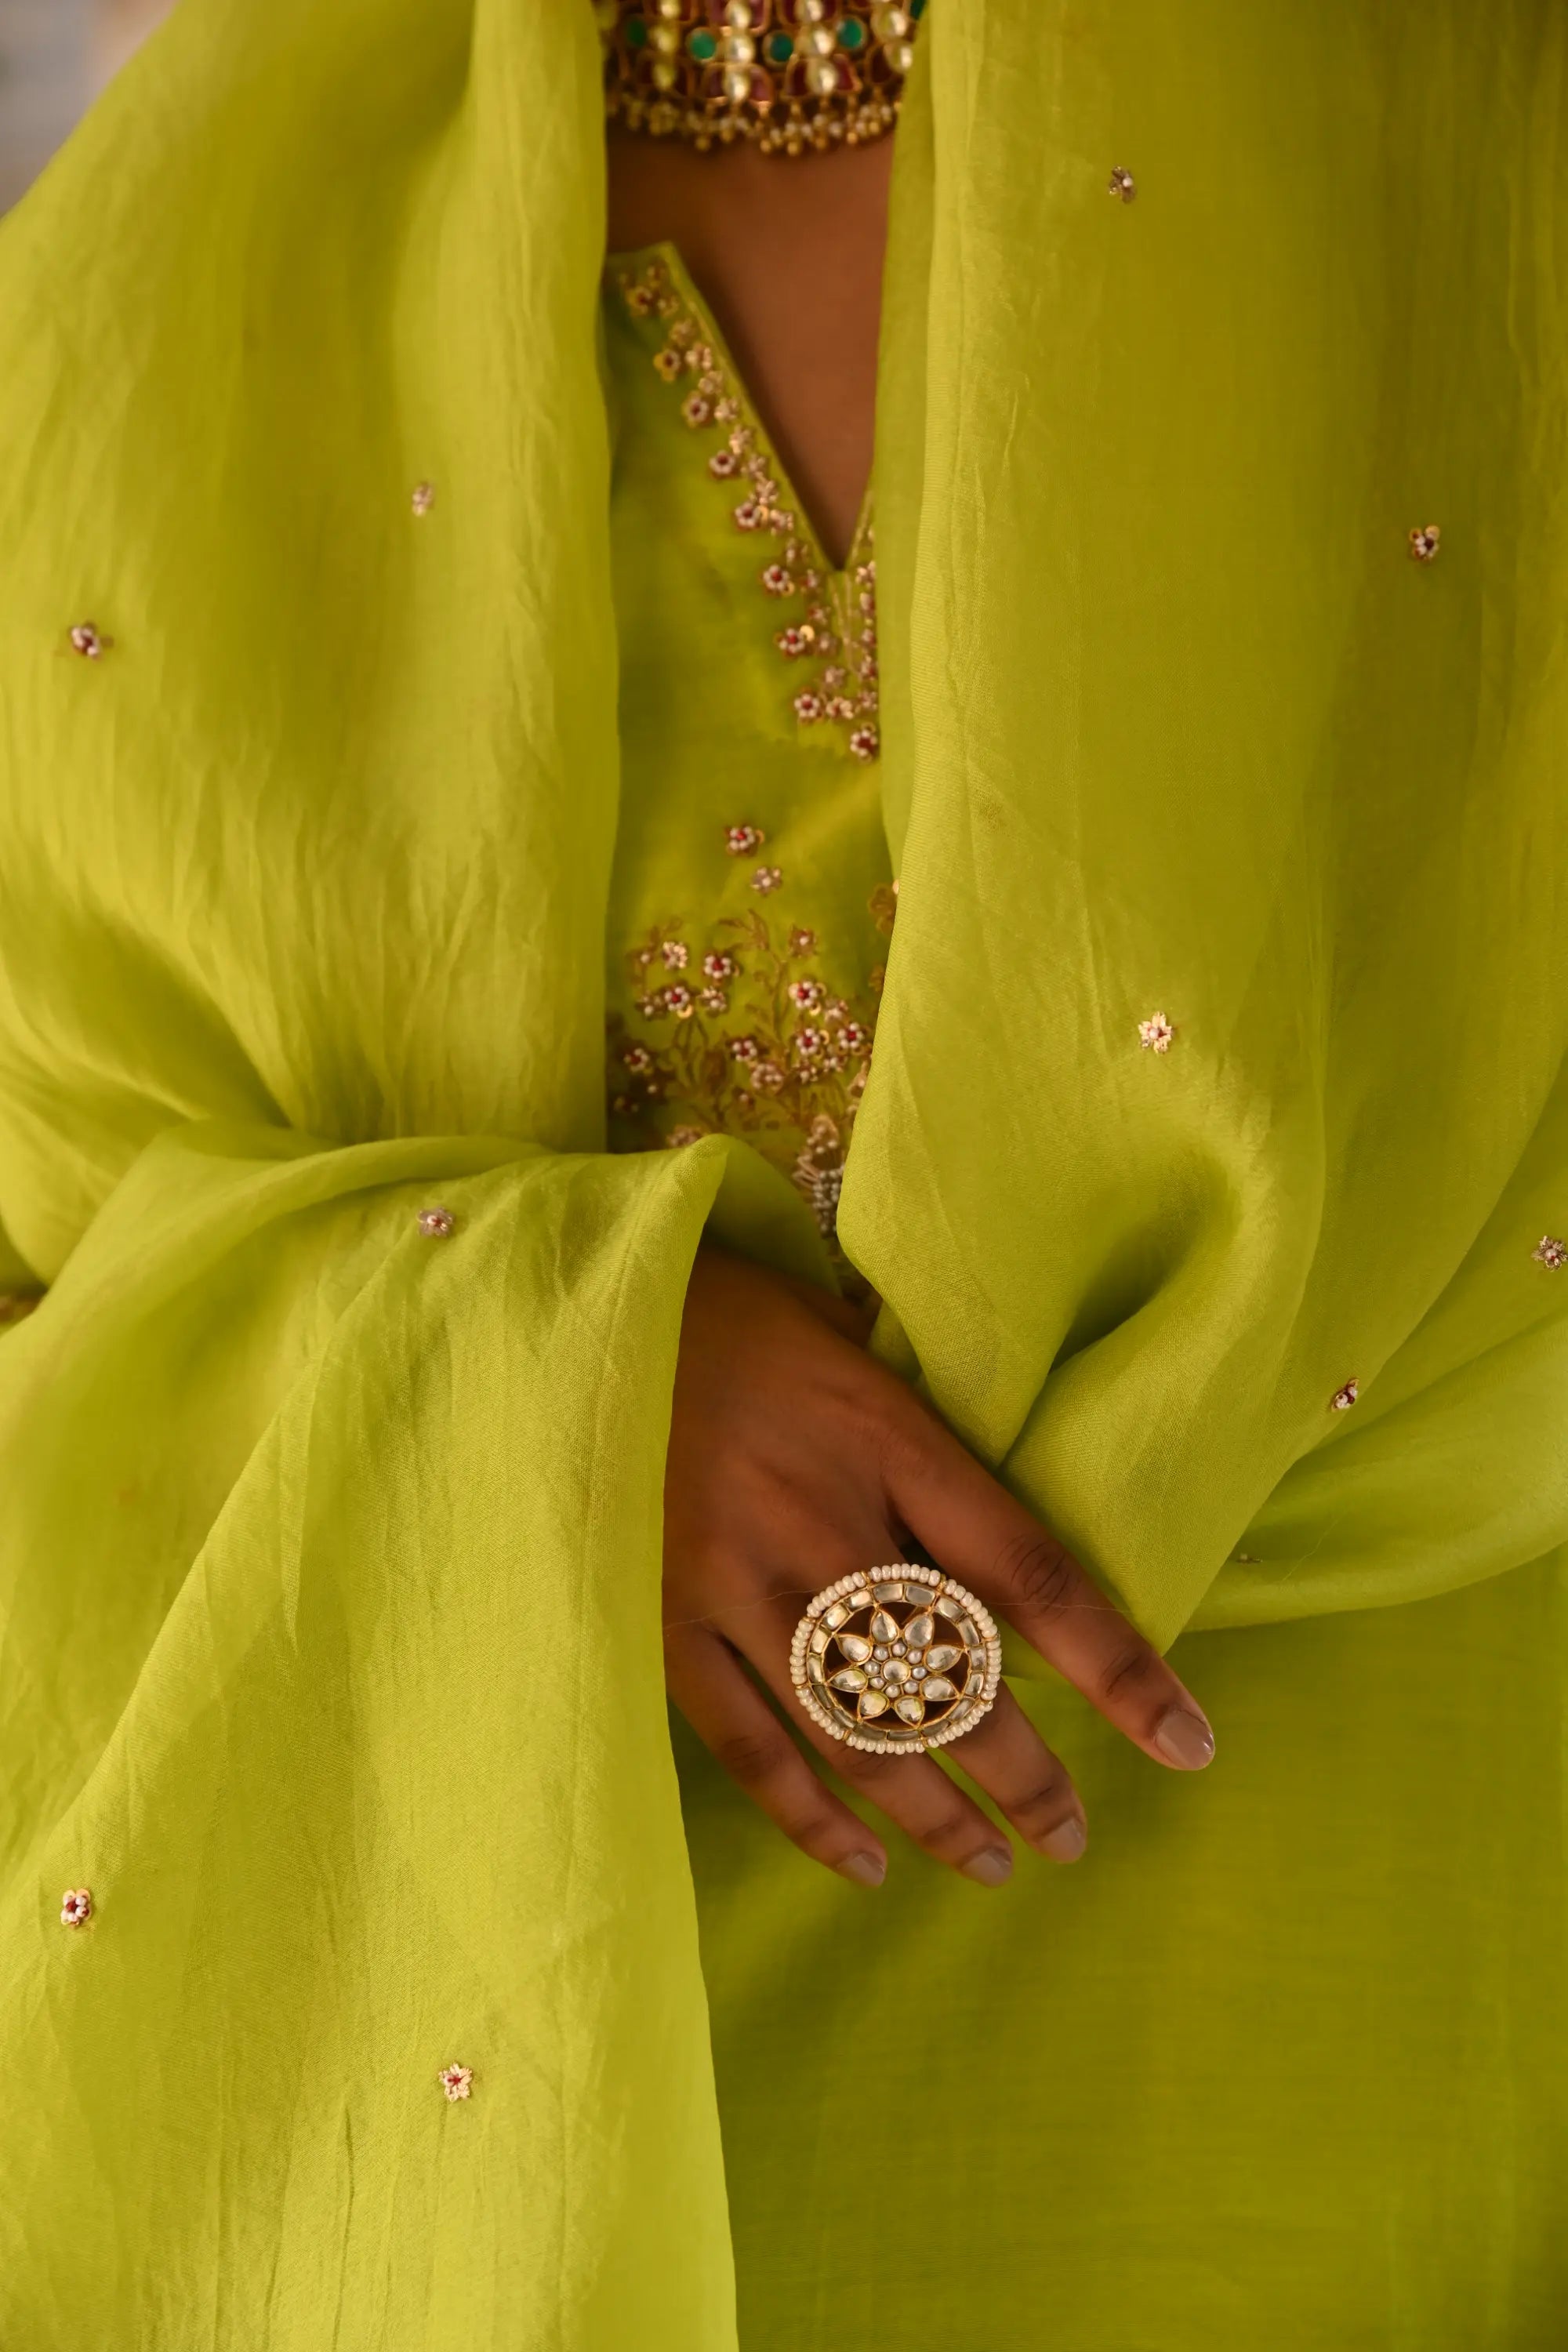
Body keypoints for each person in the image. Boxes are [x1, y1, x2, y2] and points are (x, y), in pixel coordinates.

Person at [1, 5, 1565, 2347]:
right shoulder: (165, 272)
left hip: (1372, 2016)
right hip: (442, 2058)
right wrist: (560, 1385)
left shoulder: (1481, 150)